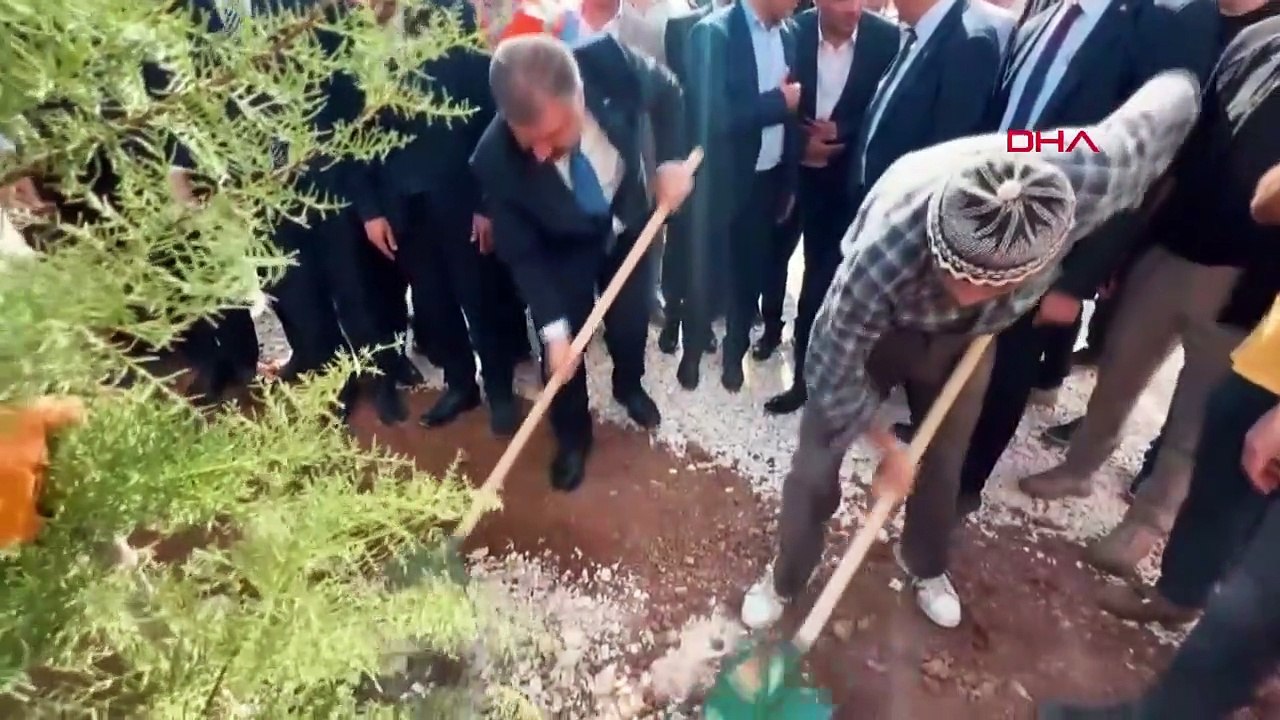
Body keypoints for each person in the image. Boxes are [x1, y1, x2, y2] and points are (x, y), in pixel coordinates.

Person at [739, 70, 1201, 632]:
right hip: (889, 330)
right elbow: (832, 373)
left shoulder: (1087, 174)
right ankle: (786, 576)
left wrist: (1196, 84)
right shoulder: (882, 252)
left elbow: (1160, 109)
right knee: (816, 460)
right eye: (955, 276)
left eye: (990, 284)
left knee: (946, 456)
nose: (965, 296)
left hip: (971, 342)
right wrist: (886, 446)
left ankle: (925, 564)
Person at [1036, 152, 1280, 720]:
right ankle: (1180, 593)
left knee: (1252, 601)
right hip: (1262, 356)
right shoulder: (1247, 65)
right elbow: (1265, 203)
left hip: (1241, 296)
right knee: (1219, 483)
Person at [955, 0, 1221, 515]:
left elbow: (1140, 165)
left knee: (1008, 362)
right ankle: (940, 444)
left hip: (1057, 238)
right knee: (965, 338)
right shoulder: (1050, 12)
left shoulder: (1156, 28)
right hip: (991, 206)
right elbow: (1014, 110)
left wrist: (1076, 281)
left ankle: (966, 484)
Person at [470, 34, 693, 492]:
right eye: (527, 140)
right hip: (559, 250)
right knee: (560, 358)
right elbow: (523, 253)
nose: (537, 152)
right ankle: (573, 437)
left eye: (552, 136)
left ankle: (628, 384)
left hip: (629, 221)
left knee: (631, 325)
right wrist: (554, 332)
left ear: (580, 95)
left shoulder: (613, 61)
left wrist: (669, 163)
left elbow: (670, 94)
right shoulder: (494, 160)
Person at [350, 0, 527, 436]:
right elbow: (356, 136)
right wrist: (371, 210)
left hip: (461, 196)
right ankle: (460, 384)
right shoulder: (368, 38)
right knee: (433, 303)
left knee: (480, 297)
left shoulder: (454, 16)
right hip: (402, 204)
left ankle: (500, 391)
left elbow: (494, 118)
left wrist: (487, 203)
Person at [760, 0, 900, 415]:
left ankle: (805, 374)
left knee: (820, 280)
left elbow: (885, 109)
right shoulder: (791, 33)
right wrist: (802, 146)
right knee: (773, 257)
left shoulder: (886, 40)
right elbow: (771, 100)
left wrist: (844, 131)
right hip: (792, 174)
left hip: (843, 184)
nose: (854, 8)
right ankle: (769, 330)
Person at [681, 0, 802, 392]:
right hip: (720, 181)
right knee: (706, 272)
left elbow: (796, 116)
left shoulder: (792, 35)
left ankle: (734, 355)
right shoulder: (713, 34)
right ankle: (693, 351)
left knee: (749, 274)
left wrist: (789, 180)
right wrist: (775, 103)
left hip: (767, 182)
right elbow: (711, 116)